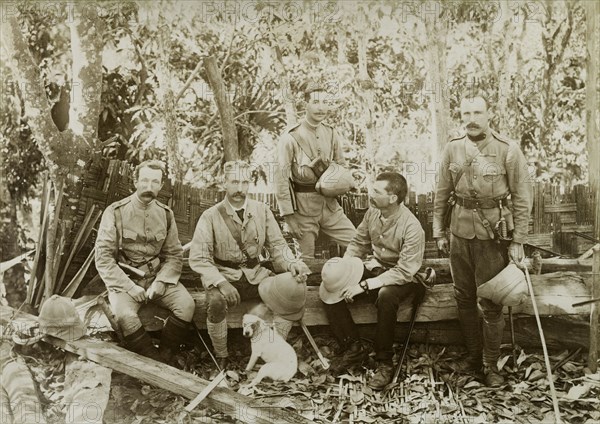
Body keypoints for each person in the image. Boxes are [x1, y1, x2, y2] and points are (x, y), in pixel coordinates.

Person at [433, 91, 532, 386]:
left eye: (477, 113)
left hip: (493, 235)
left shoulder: (508, 150)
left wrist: (518, 241)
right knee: (463, 298)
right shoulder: (452, 149)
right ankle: (474, 356)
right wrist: (439, 230)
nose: (471, 120)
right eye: (466, 114)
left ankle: (491, 366)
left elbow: (523, 197)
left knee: (491, 303)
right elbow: (440, 192)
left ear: (490, 115)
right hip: (459, 233)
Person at [189, 160, 311, 372]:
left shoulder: (262, 210)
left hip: (256, 275)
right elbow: (200, 258)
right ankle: (221, 355)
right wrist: (221, 283)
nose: (239, 188)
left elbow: (278, 246)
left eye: (245, 182)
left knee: (291, 288)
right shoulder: (210, 217)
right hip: (224, 276)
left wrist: (293, 264)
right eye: (234, 182)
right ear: (224, 183)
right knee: (216, 303)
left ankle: (272, 349)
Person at [319, 172, 426, 390]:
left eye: (377, 191)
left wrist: (364, 285)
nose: (371, 194)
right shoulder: (373, 213)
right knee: (331, 284)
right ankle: (353, 346)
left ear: (393, 197)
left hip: (405, 278)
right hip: (376, 269)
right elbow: (359, 242)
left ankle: (384, 361)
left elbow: (405, 271)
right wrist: (345, 269)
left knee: (385, 296)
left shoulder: (412, 227)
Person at [95, 160, 195, 363]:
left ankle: (166, 355)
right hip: (125, 281)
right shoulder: (115, 212)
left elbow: (175, 254)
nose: (149, 187)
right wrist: (130, 288)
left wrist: (161, 280)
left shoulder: (166, 215)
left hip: (157, 277)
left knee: (187, 305)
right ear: (135, 182)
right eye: (145, 181)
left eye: (155, 182)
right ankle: (151, 361)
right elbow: (103, 259)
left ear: (160, 185)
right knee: (127, 317)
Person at [274, 84, 356, 258]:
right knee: (305, 261)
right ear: (306, 105)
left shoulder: (331, 133)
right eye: (316, 102)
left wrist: (343, 182)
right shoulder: (290, 137)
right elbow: (280, 180)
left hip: (331, 207)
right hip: (304, 210)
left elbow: (341, 166)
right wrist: (289, 217)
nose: (321, 107)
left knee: (357, 245)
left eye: (325, 102)